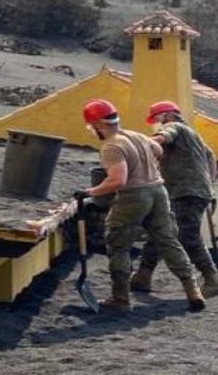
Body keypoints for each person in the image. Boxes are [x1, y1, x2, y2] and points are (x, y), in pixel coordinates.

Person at [76, 99, 205, 312]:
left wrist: (90, 192)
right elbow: (159, 150)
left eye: (91, 127)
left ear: (99, 124)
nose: (92, 131)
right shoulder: (138, 136)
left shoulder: (112, 145)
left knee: (118, 244)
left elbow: (118, 180)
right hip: (158, 192)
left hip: (134, 196)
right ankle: (193, 291)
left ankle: (120, 298)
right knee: (168, 241)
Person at [131, 100, 218, 298]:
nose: (155, 124)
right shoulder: (193, 136)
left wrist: (136, 147)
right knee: (159, 229)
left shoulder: (174, 127)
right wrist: (209, 181)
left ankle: (212, 279)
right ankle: (143, 275)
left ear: (167, 115)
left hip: (186, 192)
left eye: (156, 119)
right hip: (187, 191)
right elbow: (211, 156)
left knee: (188, 235)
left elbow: (160, 138)